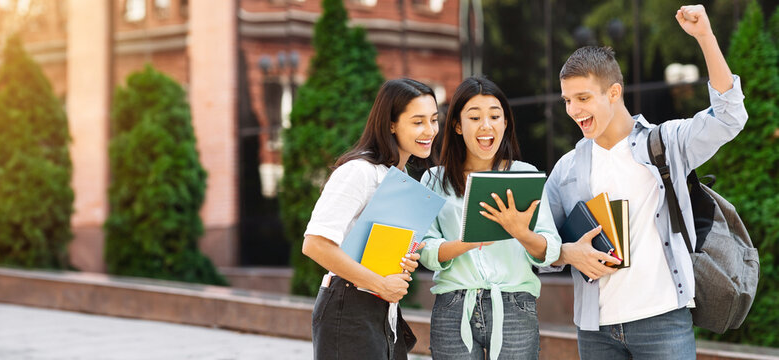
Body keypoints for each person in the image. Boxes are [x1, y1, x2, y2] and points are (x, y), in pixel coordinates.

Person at [545, 5, 747, 359]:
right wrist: (566, 252)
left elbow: (729, 117)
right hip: (595, 331)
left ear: (613, 92)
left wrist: (705, 37)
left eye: (582, 98)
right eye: (567, 100)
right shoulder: (567, 169)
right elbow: (543, 246)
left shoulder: (665, 144)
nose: (573, 110)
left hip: (662, 321)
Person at [418, 76, 561, 360]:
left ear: (505, 123)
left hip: (514, 306)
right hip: (453, 307)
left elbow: (550, 249)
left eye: (495, 116)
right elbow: (424, 250)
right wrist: (468, 242)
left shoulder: (524, 174)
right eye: (475, 117)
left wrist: (520, 231)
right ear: (458, 125)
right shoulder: (434, 180)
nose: (486, 125)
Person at [302, 78, 440, 360]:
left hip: (382, 311)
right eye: (418, 122)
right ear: (391, 124)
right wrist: (381, 284)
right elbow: (315, 244)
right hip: (349, 307)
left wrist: (405, 258)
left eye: (434, 120)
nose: (430, 131)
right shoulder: (359, 171)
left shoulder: (401, 180)